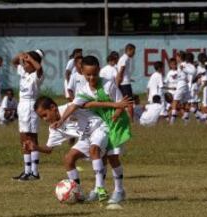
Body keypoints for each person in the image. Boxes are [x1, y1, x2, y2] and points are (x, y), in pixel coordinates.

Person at [53, 55, 132, 204]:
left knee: (112, 157)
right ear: (82, 72)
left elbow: (121, 103)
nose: (91, 77)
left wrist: (115, 115)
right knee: (101, 156)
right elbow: (73, 106)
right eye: (88, 74)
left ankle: (119, 191)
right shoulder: (83, 90)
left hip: (116, 123)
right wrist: (62, 120)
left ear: (99, 71)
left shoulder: (109, 85)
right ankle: (97, 189)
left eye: (94, 74)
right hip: (102, 124)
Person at [28, 96, 119, 202]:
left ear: (53, 107)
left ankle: (99, 189)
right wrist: (35, 147)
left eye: (45, 115)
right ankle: (77, 192)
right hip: (86, 137)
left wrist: (113, 106)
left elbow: (86, 103)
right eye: (41, 117)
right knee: (68, 158)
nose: (45, 119)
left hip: (99, 128)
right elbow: (49, 149)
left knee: (94, 149)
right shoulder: (54, 127)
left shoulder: (69, 108)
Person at [11, 49, 44, 181]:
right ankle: (27, 170)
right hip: (22, 105)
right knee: (23, 138)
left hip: (31, 106)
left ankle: (34, 172)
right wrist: (20, 56)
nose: (24, 64)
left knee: (31, 138)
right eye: (24, 62)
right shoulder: (23, 72)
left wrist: (30, 59)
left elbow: (39, 68)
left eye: (27, 62)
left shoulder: (36, 75)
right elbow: (13, 62)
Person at [170, 51, 190, 124]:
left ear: (180, 57)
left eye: (177, 57)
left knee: (175, 101)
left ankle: (172, 120)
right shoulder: (185, 64)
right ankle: (186, 119)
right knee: (186, 102)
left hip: (181, 84)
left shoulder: (181, 65)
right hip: (186, 84)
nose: (176, 58)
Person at [116, 43, 136, 121]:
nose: (134, 53)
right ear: (129, 50)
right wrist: (118, 81)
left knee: (123, 102)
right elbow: (121, 70)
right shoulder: (125, 58)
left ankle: (123, 118)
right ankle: (131, 120)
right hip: (125, 84)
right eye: (133, 51)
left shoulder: (124, 58)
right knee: (130, 103)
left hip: (123, 82)